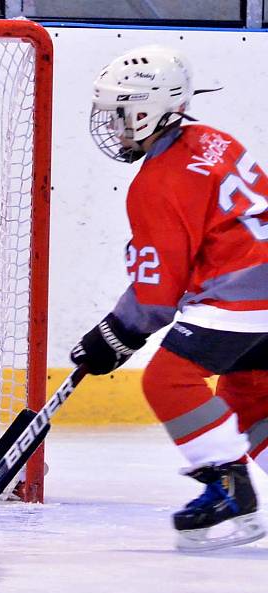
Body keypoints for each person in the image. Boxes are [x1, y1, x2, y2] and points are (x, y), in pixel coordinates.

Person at [71, 44, 268, 551]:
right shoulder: (211, 140)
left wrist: (112, 335)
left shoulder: (158, 184)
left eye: (118, 115)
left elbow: (158, 295)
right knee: (249, 395)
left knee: (168, 380)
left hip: (244, 296)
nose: (112, 128)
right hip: (257, 288)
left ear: (144, 110)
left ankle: (227, 486)